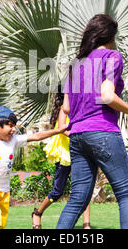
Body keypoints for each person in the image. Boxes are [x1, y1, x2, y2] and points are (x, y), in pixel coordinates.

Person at [56, 14, 128, 229]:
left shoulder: (74, 65)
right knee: (126, 194)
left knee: (77, 200)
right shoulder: (111, 56)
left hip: (77, 136)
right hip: (102, 131)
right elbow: (107, 96)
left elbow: (67, 107)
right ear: (111, 36)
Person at [0, 105, 66, 229]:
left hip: (5, 190)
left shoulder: (14, 140)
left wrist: (58, 130)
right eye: (10, 125)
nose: (13, 129)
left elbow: (36, 136)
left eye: (14, 126)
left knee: (1, 225)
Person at [31, 92, 91, 229]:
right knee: (57, 192)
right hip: (65, 154)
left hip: (80, 153)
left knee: (84, 188)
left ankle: (86, 225)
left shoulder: (81, 107)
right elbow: (61, 129)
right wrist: (75, 134)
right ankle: (37, 213)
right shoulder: (64, 110)